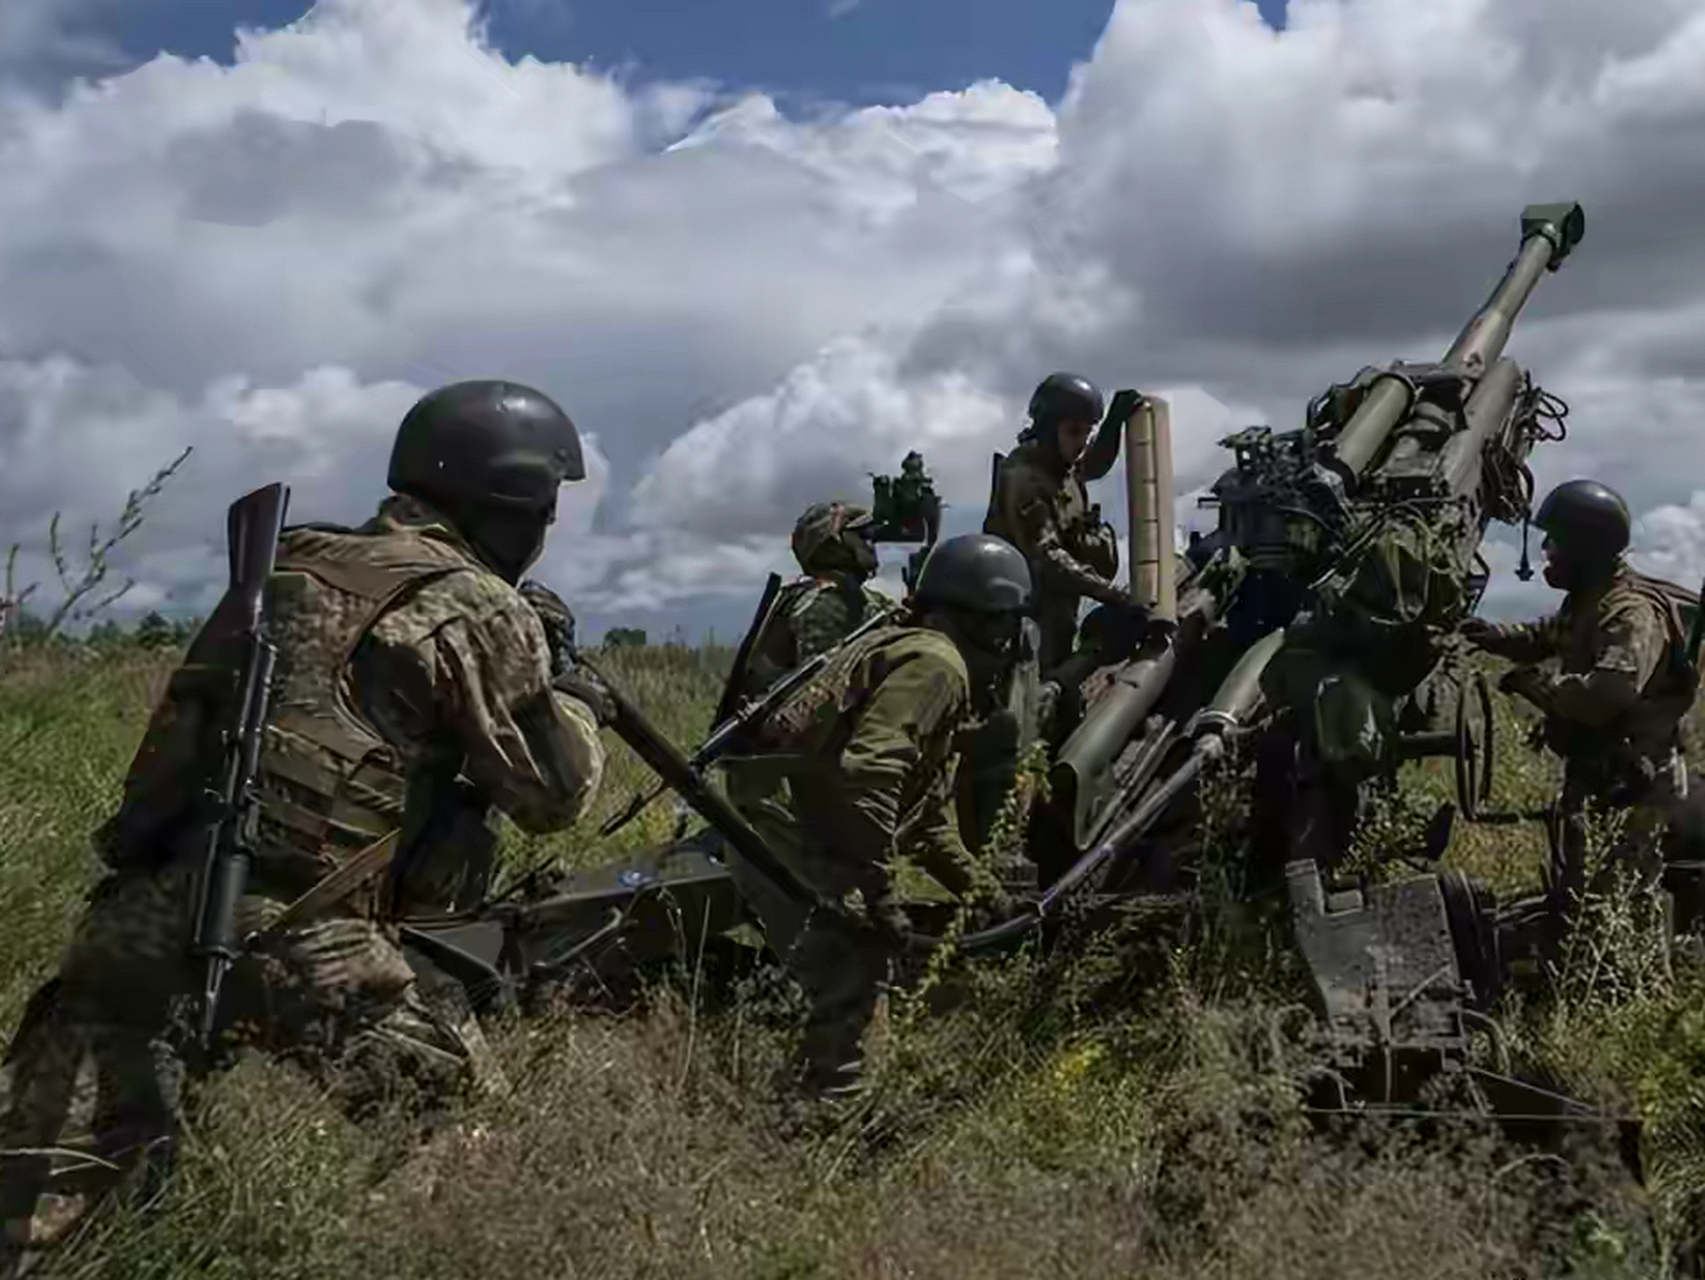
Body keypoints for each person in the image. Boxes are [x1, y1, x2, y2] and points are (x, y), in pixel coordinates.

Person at [0, 379, 609, 1260]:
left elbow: (171, 759)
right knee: (466, 1142)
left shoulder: (286, 564)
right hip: (304, 935)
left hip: (140, 910)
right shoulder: (474, 601)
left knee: (50, 1179)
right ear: (518, 501)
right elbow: (553, 798)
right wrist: (574, 698)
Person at [723, 533, 1033, 1103]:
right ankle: (829, 1119)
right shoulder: (937, 668)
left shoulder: (914, 651)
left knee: (861, 965)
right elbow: (871, 772)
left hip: (783, 818)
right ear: (994, 621)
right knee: (851, 965)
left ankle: (836, 1099)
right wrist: (879, 891)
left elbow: (926, 821)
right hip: (788, 827)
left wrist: (986, 894)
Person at [1461, 479, 1698, 946]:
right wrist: (1488, 634)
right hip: (1600, 774)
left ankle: (1630, 991)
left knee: (1620, 903)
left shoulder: (1630, 613)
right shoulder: (1589, 600)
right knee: (1581, 893)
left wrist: (1538, 687)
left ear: (1587, 548)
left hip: (1633, 781)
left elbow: (1605, 696)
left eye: (1557, 542)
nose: (1546, 550)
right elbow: (1545, 635)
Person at [983, 373, 1143, 675]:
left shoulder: (1061, 468)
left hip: (1057, 611)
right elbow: (1047, 557)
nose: (1081, 442)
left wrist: (1114, 423)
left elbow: (1093, 464)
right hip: (1023, 618)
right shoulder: (1024, 479)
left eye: (1087, 432)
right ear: (1047, 428)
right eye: (1073, 432)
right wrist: (1111, 594)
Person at [741, 501, 894, 699]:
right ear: (832, 542)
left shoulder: (854, 595)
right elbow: (821, 692)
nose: (871, 545)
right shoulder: (824, 603)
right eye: (862, 536)